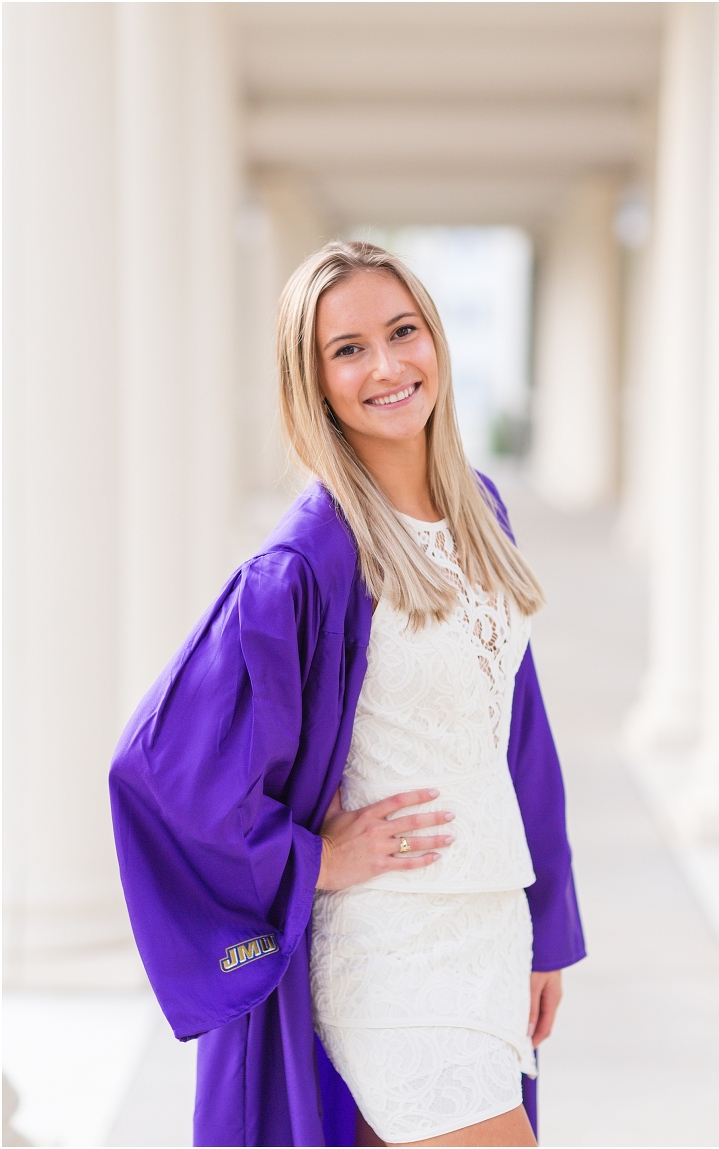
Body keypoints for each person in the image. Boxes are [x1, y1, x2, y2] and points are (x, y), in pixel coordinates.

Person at [110, 241, 585, 1148]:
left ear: (437, 341)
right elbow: (158, 765)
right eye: (349, 349)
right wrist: (310, 860)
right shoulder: (309, 561)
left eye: (403, 332)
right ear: (315, 381)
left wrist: (546, 923)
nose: (388, 365)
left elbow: (513, 729)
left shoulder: (480, 507)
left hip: (484, 934)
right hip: (392, 950)